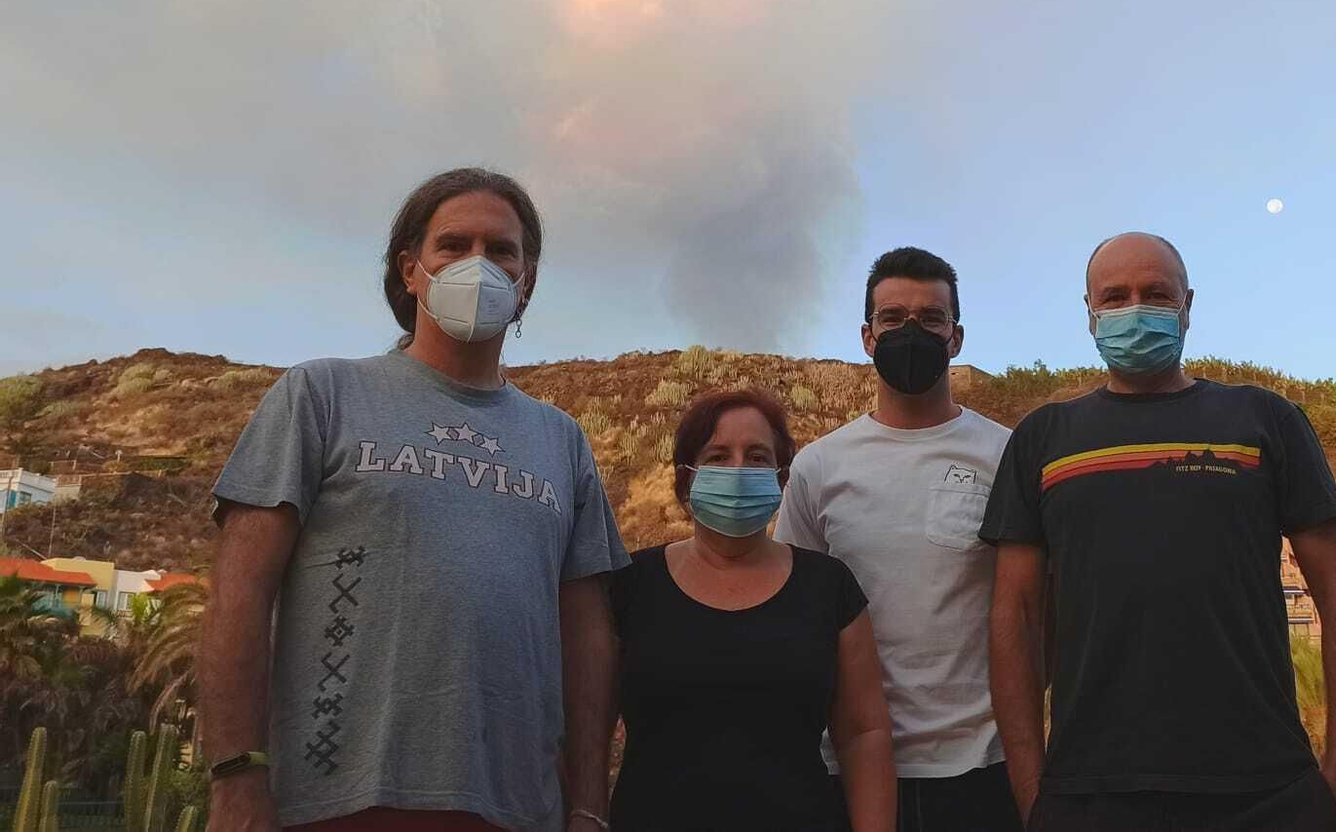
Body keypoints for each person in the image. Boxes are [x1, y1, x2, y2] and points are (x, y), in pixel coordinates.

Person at [201, 167, 630, 832]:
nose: (478, 265)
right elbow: (239, 592)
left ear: (527, 283)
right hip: (329, 805)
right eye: (454, 245)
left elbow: (587, 634)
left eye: (501, 250)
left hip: (518, 810)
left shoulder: (562, 441)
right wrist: (235, 776)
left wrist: (588, 803)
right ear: (411, 270)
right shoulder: (320, 397)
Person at [982, 232, 1336, 832]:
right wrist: (1031, 789)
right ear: (1088, 314)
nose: (1135, 310)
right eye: (1114, 297)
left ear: (1188, 305)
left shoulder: (1265, 419)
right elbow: (1016, 612)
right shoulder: (1043, 438)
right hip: (1087, 794)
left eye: (1156, 294)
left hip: (1267, 791)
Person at [776, 247, 1023, 832]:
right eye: (892, 319)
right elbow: (795, 614)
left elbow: (1038, 607)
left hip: (984, 765)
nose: (911, 331)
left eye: (930, 318)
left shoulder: (1007, 455)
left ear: (955, 337)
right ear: (867, 336)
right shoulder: (819, 467)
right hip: (850, 768)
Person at [608, 387, 896, 832]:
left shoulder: (828, 585)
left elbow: (863, 734)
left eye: (758, 456)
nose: (738, 470)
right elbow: (586, 729)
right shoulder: (630, 585)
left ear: (782, 478)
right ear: (687, 478)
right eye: (718, 456)